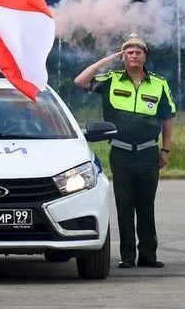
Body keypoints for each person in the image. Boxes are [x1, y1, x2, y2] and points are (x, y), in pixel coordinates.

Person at [74, 33, 176, 269]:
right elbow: (80, 81)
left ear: (144, 57)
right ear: (123, 56)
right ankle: (128, 256)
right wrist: (107, 59)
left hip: (149, 153)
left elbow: (167, 118)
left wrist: (166, 149)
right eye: (128, 52)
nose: (133, 56)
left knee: (146, 205)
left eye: (138, 52)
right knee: (124, 205)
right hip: (121, 153)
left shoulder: (159, 84)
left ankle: (148, 255)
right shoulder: (111, 80)